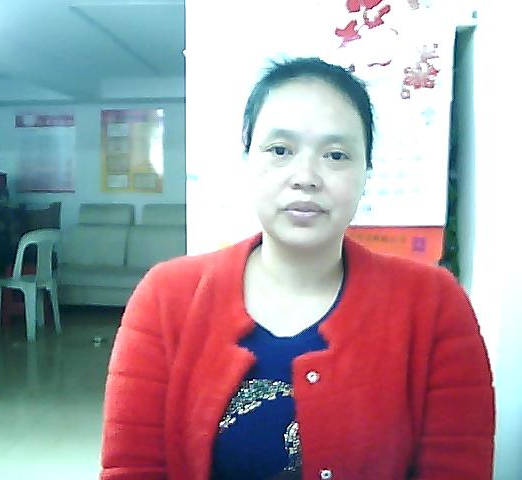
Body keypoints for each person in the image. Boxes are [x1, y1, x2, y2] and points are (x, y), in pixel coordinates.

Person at [99, 57, 495, 480]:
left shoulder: (434, 303)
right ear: (248, 160)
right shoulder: (166, 296)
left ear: (366, 173)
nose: (305, 177)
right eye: (280, 150)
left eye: (336, 155)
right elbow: (132, 468)